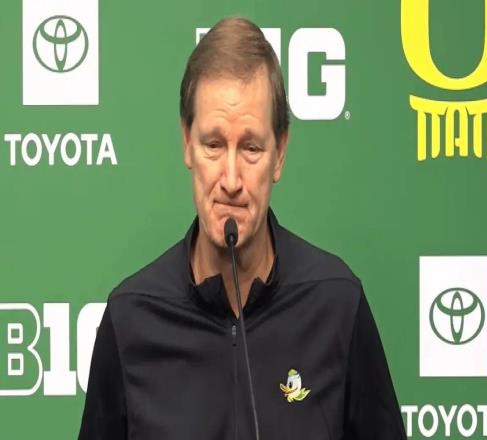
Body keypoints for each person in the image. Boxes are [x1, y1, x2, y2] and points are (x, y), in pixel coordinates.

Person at [78, 16, 407, 440]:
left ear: (280, 153)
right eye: (214, 145)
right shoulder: (131, 317)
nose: (231, 180)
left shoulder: (337, 303)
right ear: (187, 143)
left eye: (251, 147)